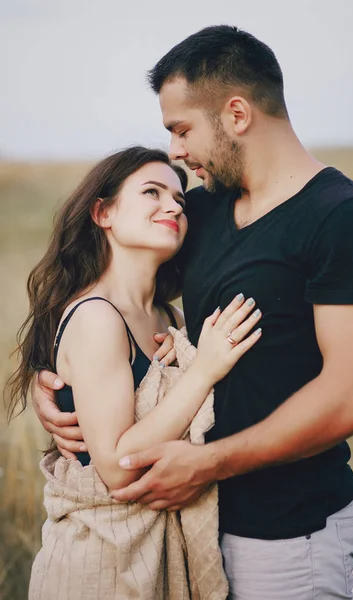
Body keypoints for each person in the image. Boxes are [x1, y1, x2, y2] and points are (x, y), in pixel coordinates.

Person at [32, 26, 353, 599]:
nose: (176, 153)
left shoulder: (346, 221)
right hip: (187, 531)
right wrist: (58, 383)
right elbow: (108, 292)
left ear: (236, 114)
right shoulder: (200, 212)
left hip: (287, 534)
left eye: (181, 130)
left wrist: (205, 466)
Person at [6, 145, 262, 599]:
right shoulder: (97, 317)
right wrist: (202, 370)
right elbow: (120, 469)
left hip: (159, 560)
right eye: (152, 192)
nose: (172, 206)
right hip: (99, 566)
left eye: (180, 200)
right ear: (103, 213)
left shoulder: (173, 320)